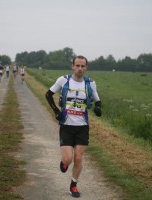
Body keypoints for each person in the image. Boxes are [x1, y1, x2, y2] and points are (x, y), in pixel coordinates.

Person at [45, 55, 102, 198]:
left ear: (86, 67)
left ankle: (73, 185)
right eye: (77, 65)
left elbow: (97, 100)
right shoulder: (63, 80)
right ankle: (64, 163)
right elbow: (48, 94)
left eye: (83, 66)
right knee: (68, 159)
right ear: (72, 66)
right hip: (66, 126)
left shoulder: (90, 83)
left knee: (78, 158)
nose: (80, 68)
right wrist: (56, 111)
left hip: (82, 126)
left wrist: (98, 108)